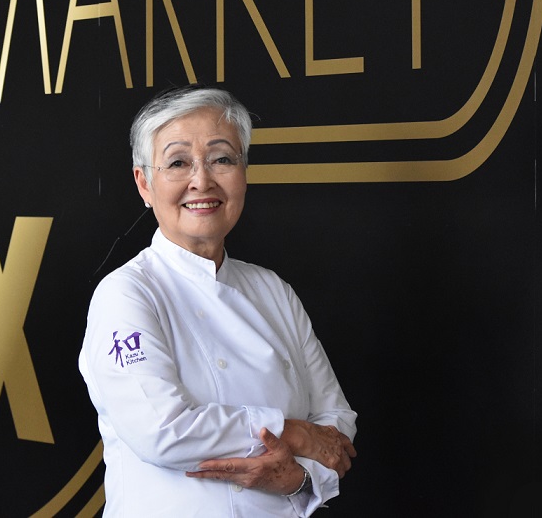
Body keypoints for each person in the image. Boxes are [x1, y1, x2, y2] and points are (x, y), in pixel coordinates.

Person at [78, 85, 357, 517]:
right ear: (144, 184)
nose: (202, 181)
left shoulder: (272, 290)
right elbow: (164, 430)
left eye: (222, 159)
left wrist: (299, 478)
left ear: (243, 173)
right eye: (178, 162)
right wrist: (293, 433)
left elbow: (335, 420)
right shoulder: (127, 293)